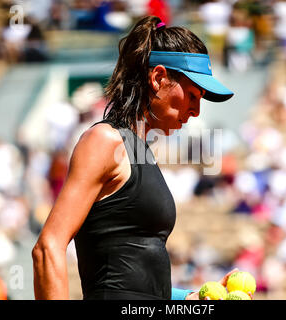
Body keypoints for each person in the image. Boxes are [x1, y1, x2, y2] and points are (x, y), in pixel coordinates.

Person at [32, 15, 235, 300]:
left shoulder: (138, 149)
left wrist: (190, 299)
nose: (196, 111)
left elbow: (134, 287)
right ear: (159, 78)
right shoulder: (104, 141)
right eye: (192, 95)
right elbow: (47, 247)